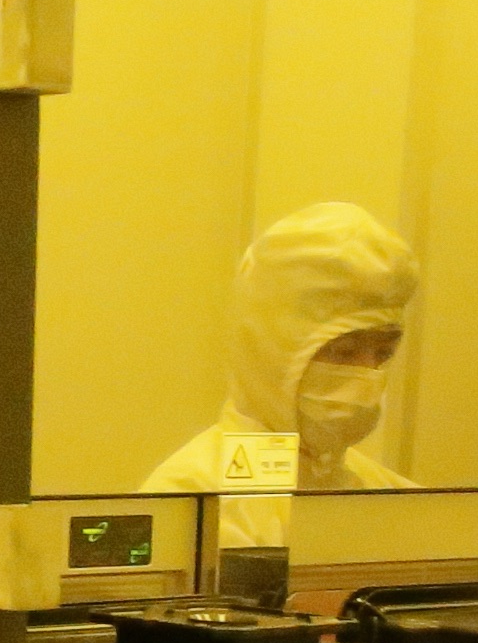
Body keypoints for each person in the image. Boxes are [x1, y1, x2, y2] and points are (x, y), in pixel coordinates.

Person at [142, 199, 420, 495]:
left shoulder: (387, 494)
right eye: (343, 351)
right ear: (272, 350)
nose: (365, 374)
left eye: (382, 353)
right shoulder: (188, 494)